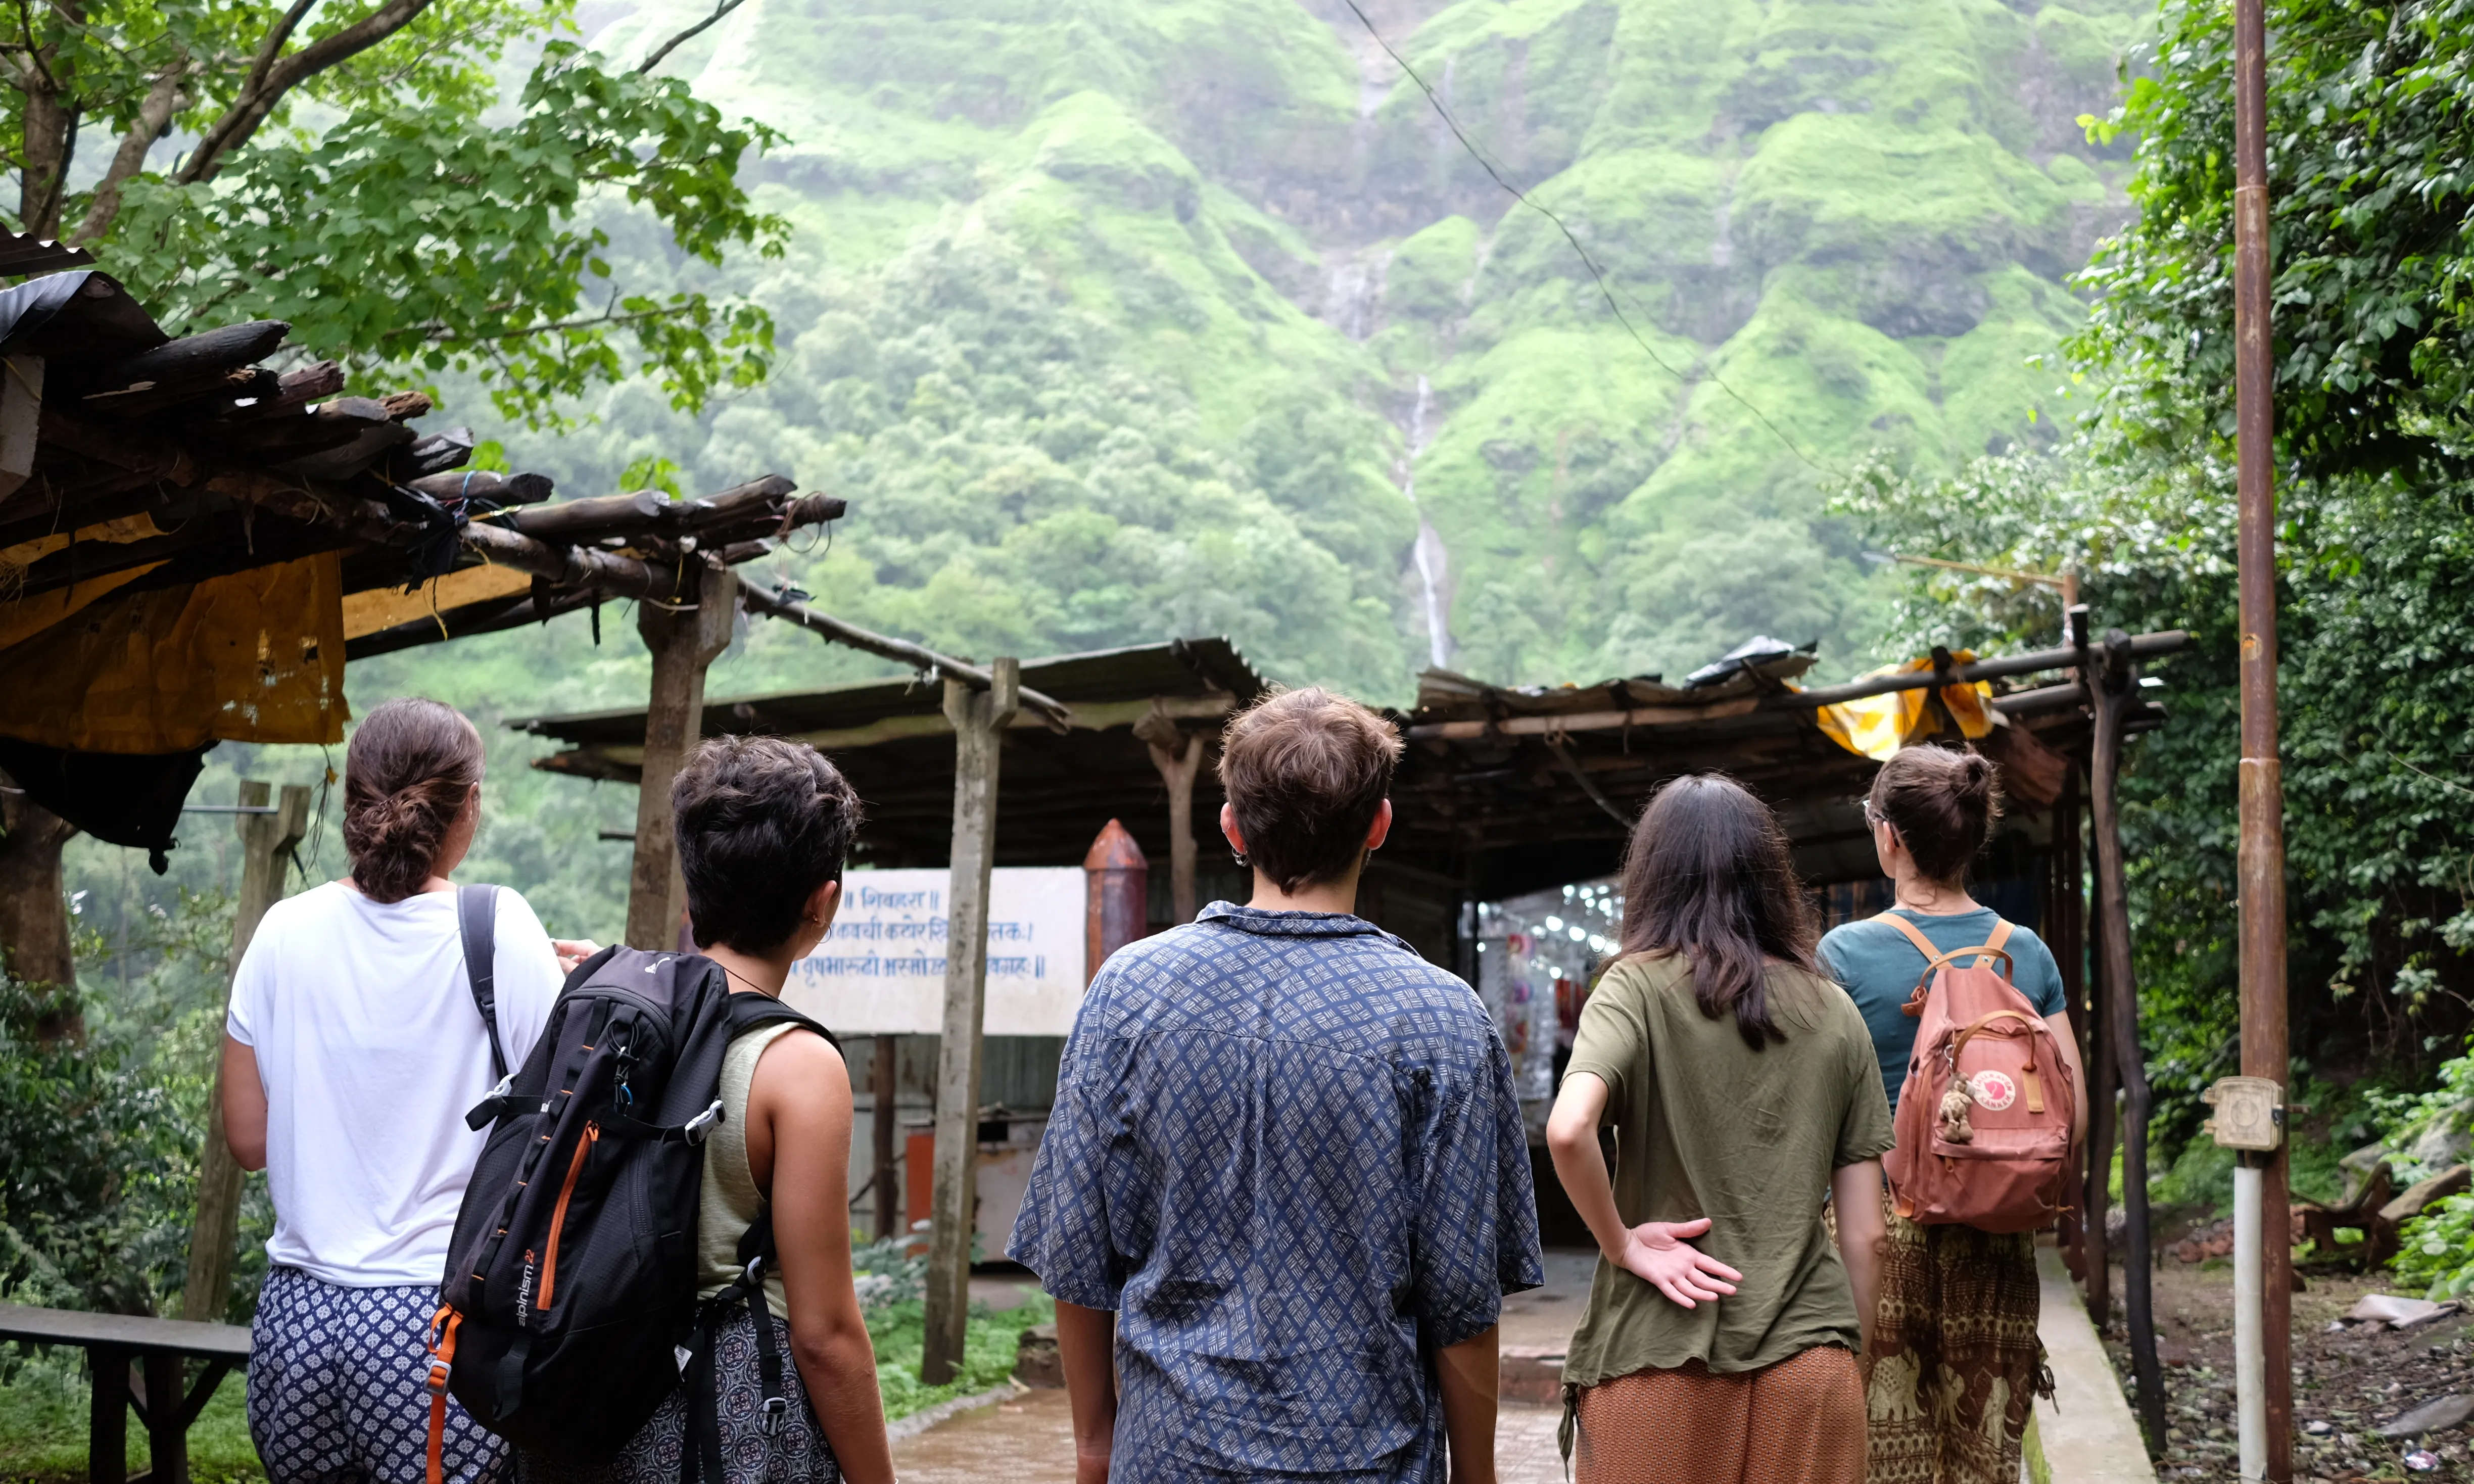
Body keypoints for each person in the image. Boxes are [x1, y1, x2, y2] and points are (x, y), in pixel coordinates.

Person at [1009, 686, 1545, 1484]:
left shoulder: (1132, 992)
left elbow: (1079, 1252)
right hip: (1370, 1461)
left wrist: (1096, 1445)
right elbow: (1463, 1300)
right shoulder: (1444, 1019)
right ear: (1380, 826)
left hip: (1170, 1456)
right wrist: (1476, 1475)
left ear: (1231, 827)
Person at [524, 734, 895, 1484]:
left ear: (692, 900)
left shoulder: (606, 1015)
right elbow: (823, 1335)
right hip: (721, 1422)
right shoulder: (798, 1067)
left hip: (579, 1403)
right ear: (823, 905)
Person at [224, 698, 574, 1484]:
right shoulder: (500, 927)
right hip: (430, 1325)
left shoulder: (283, 930)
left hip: (296, 1322)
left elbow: (248, 1140)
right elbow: (562, 1131)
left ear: (350, 803)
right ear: (469, 807)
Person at [1545, 774, 1893, 1484]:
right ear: (1772, 876)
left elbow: (1568, 1129)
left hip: (1658, 1361)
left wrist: (1622, 1245)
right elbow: (1868, 1235)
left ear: (1651, 876)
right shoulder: (1836, 1012)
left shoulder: (1634, 988)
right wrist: (1845, 1359)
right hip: (1812, 1367)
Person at [1818, 745, 2085, 1484]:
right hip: (1994, 1241)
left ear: (1889, 836)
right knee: (1983, 1454)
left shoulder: (1844, 954)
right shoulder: (2024, 955)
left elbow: (1813, 1113)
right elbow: (2076, 1112)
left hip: (1878, 1234)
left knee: (1880, 1447)